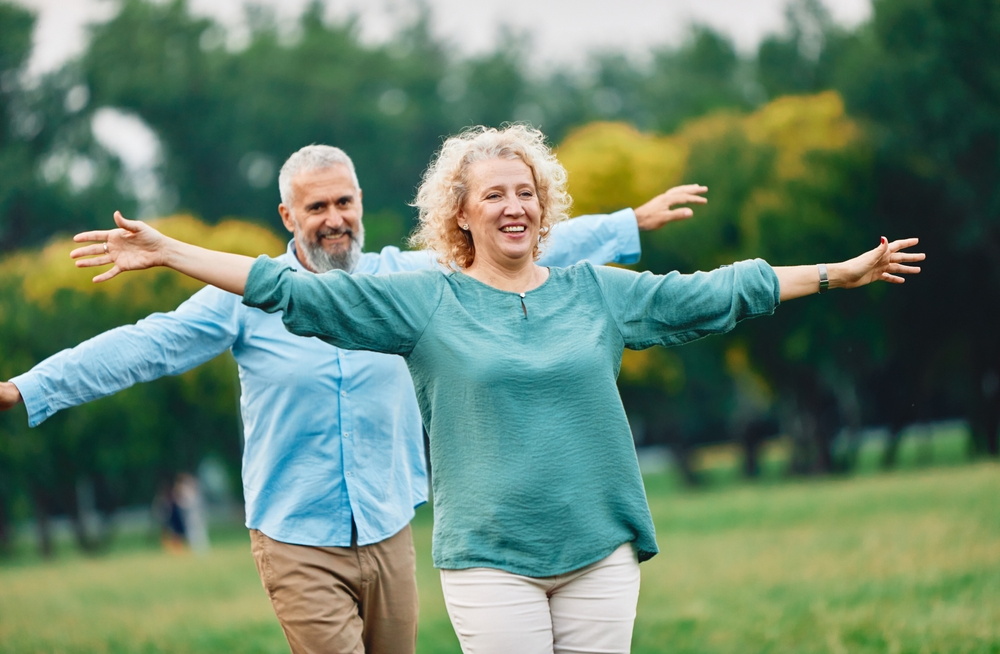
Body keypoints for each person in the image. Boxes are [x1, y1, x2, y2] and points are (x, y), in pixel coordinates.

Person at [66, 124, 924, 654]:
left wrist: (836, 274)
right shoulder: (422, 299)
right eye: (494, 195)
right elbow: (283, 289)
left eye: (527, 193)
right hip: (487, 558)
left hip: (600, 547)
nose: (513, 206)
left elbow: (714, 292)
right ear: (460, 214)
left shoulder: (595, 292)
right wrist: (173, 250)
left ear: (541, 209)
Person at [0, 143, 704, 654]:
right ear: (288, 214)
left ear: (362, 203)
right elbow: (140, 345)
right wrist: (25, 388)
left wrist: (627, 225)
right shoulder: (244, 295)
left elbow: (510, 243)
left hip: (390, 524)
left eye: (344, 202)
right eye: (317, 207)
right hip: (297, 535)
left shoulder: (414, 283)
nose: (334, 218)